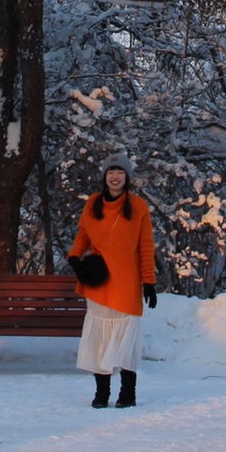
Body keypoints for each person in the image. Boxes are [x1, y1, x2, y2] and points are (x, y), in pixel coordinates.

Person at [66, 154, 157, 408]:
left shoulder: (138, 207)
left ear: (127, 177)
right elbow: (84, 233)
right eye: (110, 172)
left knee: (126, 338)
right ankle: (101, 393)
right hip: (99, 282)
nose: (115, 177)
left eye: (120, 172)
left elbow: (146, 247)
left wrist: (149, 281)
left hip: (127, 283)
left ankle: (128, 393)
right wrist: (74, 256)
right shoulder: (93, 203)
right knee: (101, 339)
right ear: (104, 176)